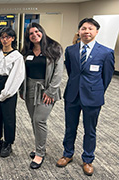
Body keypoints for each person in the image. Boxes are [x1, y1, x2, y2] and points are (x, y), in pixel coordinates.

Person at [56, 18, 115, 176]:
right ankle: (67, 154)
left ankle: (88, 159)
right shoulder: (70, 50)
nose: (86, 31)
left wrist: (95, 90)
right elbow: (71, 71)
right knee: (70, 127)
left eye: (90, 29)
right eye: (83, 28)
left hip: (93, 97)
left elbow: (107, 77)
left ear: (96, 32)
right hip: (72, 95)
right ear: (79, 31)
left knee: (90, 130)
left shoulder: (106, 52)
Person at [20, 22, 63, 169]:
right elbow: (21, 72)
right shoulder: (26, 51)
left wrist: (50, 92)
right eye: (31, 33)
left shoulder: (54, 48)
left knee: (39, 120)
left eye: (37, 32)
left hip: (47, 89)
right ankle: (39, 145)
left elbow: (58, 73)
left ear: (42, 32)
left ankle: (40, 153)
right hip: (30, 88)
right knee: (33, 120)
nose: (34, 35)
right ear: (28, 36)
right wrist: (22, 90)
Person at [0, 27, 25, 158]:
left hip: (9, 87)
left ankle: (8, 143)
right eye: (2, 37)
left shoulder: (17, 56)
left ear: (13, 38)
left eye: (8, 37)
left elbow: (16, 77)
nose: (5, 40)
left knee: (8, 117)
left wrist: (4, 94)